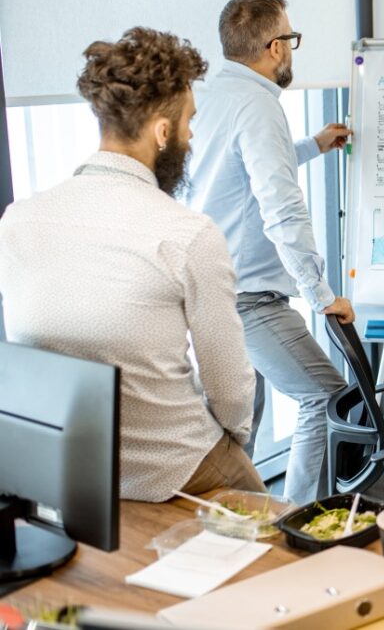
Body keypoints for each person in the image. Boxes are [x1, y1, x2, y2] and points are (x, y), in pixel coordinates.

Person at [0, 27, 263, 502]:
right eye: (188, 123)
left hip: (66, 479)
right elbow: (231, 392)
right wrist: (232, 444)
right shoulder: (187, 235)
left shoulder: (17, 222)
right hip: (177, 468)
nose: (190, 136)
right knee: (279, 553)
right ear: (162, 132)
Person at [185, 0, 355, 504]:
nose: (293, 49)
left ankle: (237, 527)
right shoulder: (259, 105)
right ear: (275, 46)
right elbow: (281, 207)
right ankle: (298, 531)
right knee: (324, 396)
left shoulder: (213, 96)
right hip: (249, 297)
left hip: (214, 288)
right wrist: (322, 294)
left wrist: (313, 145)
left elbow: (234, 175)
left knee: (239, 423)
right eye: (292, 38)